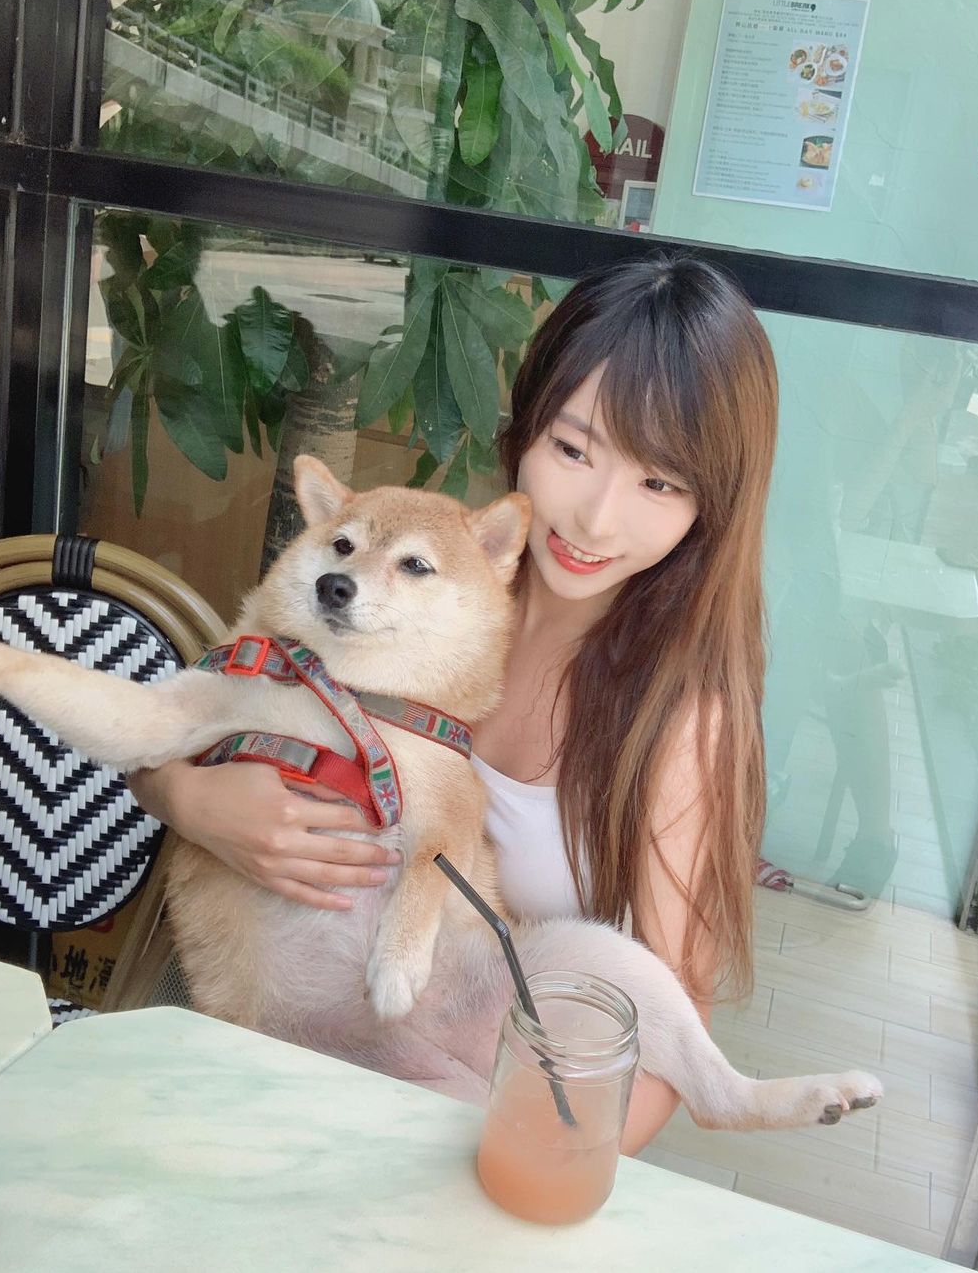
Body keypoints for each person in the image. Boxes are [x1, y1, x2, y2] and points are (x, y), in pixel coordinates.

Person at [129, 252, 780, 1155]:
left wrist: (539, 1170)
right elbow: (186, 719)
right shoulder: (424, 569)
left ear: (712, 505)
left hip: (447, 1106)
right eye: (574, 450)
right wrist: (187, 798)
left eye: (658, 483)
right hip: (248, 1024)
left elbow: (674, 1014)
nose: (597, 517)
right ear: (527, 426)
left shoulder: (675, 720)